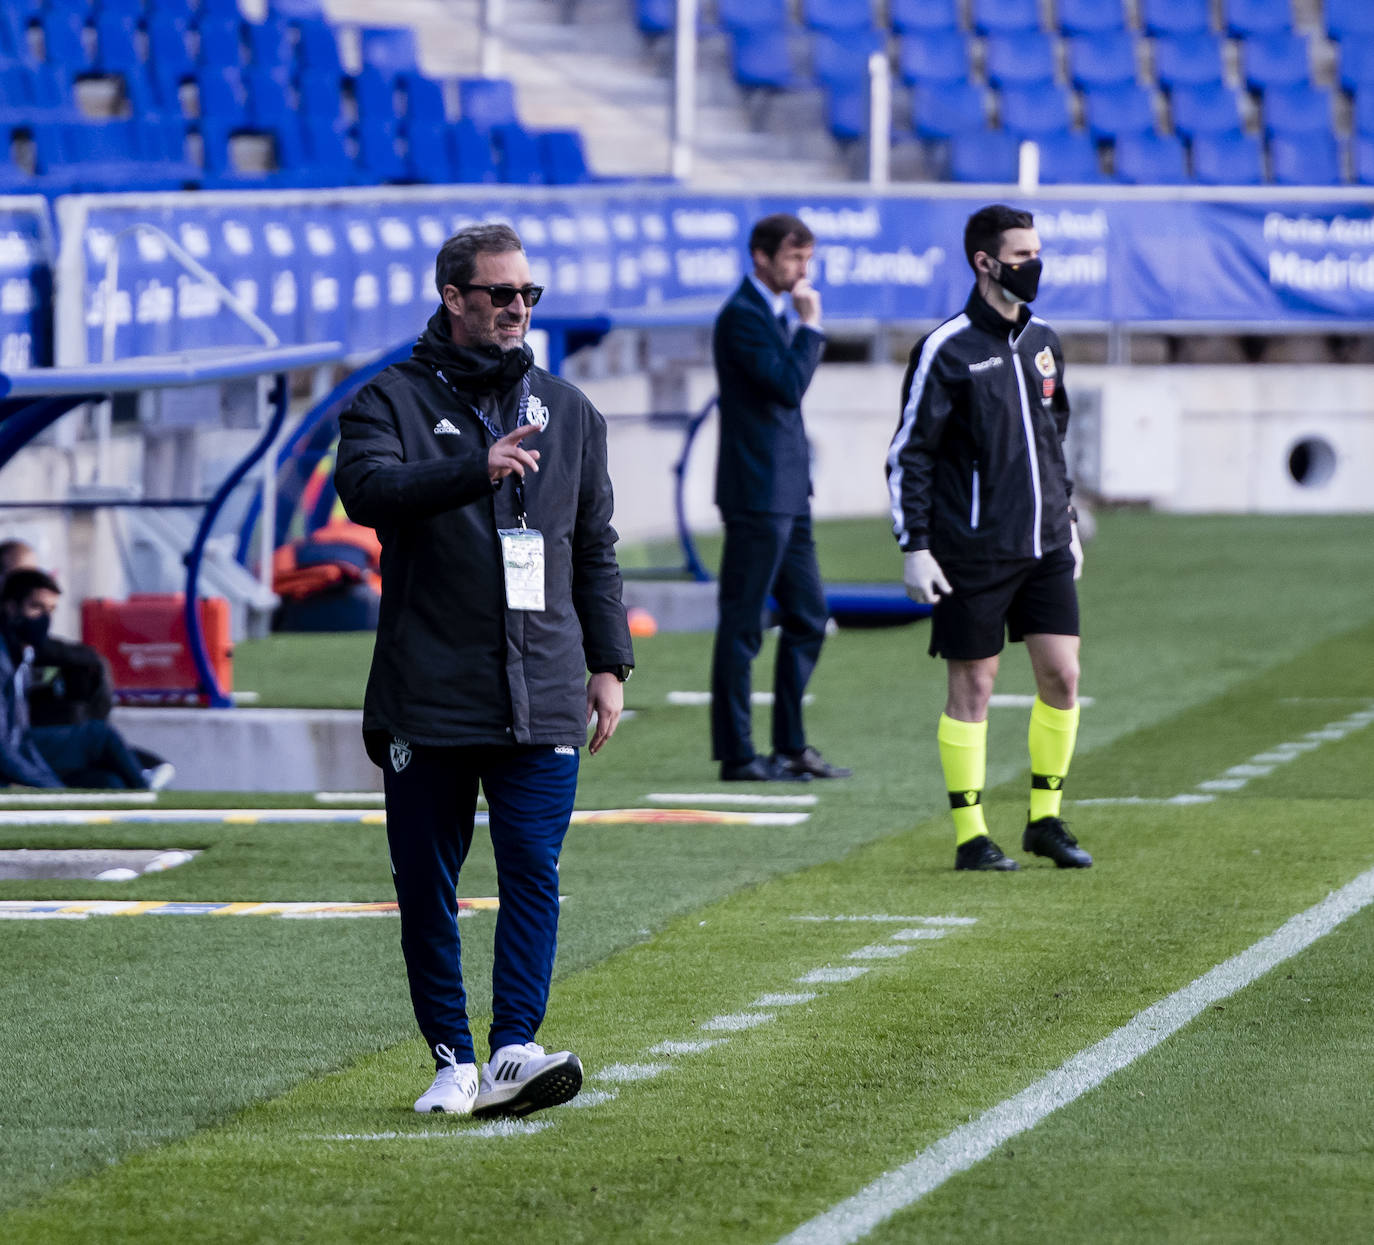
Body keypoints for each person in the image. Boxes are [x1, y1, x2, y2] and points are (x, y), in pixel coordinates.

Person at [335, 223, 634, 1118]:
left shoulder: (569, 409)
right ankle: (450, 1058)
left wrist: (609, 660)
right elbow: (368, 493)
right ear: (453, 297)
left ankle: (513, 1050)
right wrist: (476, 467)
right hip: (428, 689)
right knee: (425, 881)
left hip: (541, 684)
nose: (517, 308)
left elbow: (594, 546)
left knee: (533, 871)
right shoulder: (384, 399)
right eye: (500, 293)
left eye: (528, 294)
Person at [886, 204, 1092, 873]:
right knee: (973, 686)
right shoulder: (945, 349)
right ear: (984, 263)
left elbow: (1054, 435)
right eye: (1022, 254)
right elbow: (909, 453)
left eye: (1037, 251)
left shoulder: (1043, 341)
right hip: (970, 549)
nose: (1034, 264)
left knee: (1063, 675)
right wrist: (914, 544)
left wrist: (1066, 518)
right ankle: (971, 833)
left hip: (1046, 547)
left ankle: (1045, 819)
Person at [708, 213, 850, 783]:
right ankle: (738, 754)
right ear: (760, 257)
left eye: (808, 260)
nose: (802, 271)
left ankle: (791, 745)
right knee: (743, 625)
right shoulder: (741, 317)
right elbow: (788, 388)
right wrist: (811, 328)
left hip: (790, 492)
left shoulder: (768, 314)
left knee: (810, 617)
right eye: (794, 259)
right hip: (756, 491)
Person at [0, 569, 169, 790]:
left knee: (110, 784)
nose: (44, 619)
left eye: (50, 610)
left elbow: (20, 739)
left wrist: (51, 784)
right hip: (10, 758)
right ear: (11, 608)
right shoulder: (5, 658)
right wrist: (51, 788)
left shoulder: (23, 654)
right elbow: (4, 747)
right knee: (100, 735)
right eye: (36, 607)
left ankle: (143, 796)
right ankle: (149, 800)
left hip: (21, 752)